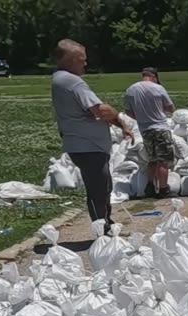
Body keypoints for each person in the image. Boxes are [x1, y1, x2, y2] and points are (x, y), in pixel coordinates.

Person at [50, 39, 131, 231]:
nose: (85, 64)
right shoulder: (73, 82)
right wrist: (120, 122)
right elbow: (100, 110)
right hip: (87, 146)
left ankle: (106, 224)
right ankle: (101, 229)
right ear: (69, 60)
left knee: (103, 186)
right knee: (99, 190)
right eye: (81, 60)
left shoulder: (59, 79)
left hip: (85, 145)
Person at [124, 67, 176, 198]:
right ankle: (164, 189)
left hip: (145, 130)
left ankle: (150, 186)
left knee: (152, 159)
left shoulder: (131, 90)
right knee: (163, 160)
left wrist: (141, 118)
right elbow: (171, 108)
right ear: (154, 76)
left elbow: (128, 112)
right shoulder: (158, 88)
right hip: (160, 128)